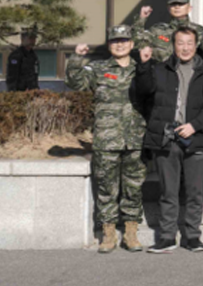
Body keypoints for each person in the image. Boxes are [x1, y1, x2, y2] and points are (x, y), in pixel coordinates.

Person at [135, 26, 203, 254]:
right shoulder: (159, 68)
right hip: (166, 139)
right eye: (180, 43)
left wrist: (195, 125)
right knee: (168, 191)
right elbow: (143, 91)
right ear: (174, 45)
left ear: (196, 45)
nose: (185, 47)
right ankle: (166, 237)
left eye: (189, 43)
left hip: (195, 138)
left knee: (195, 191)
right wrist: (144, 66)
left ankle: (192, 236)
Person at [67, 25, 149, 254]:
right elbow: (76, 84)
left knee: (134, 187)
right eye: (115, 41)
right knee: (106, 188)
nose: (120, 44)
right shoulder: (98, 69)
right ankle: (109, 232)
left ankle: (131, 232)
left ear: (132, 44)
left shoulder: (141, 68)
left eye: (124, 40)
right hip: (107, 140)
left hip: (135, 139)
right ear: (109, 45)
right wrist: (76, 59)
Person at [134, 0, 203, 63]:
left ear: (190, 8)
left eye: (181, 4)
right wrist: (141, 19)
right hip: (160, 72)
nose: (177, 7)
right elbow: (137, 44)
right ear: (168, 8)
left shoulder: (199, 31)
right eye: (173, 4)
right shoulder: (157, 30)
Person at [5, 26, 40, 91]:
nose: (33, 41)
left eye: (34, 38)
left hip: (32, 90)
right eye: (30, 38)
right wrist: (13, 92)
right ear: (22, 39)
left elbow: (34, 74)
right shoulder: (16, 55)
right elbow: (12, 77)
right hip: (19, 91)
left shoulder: (33, 55)